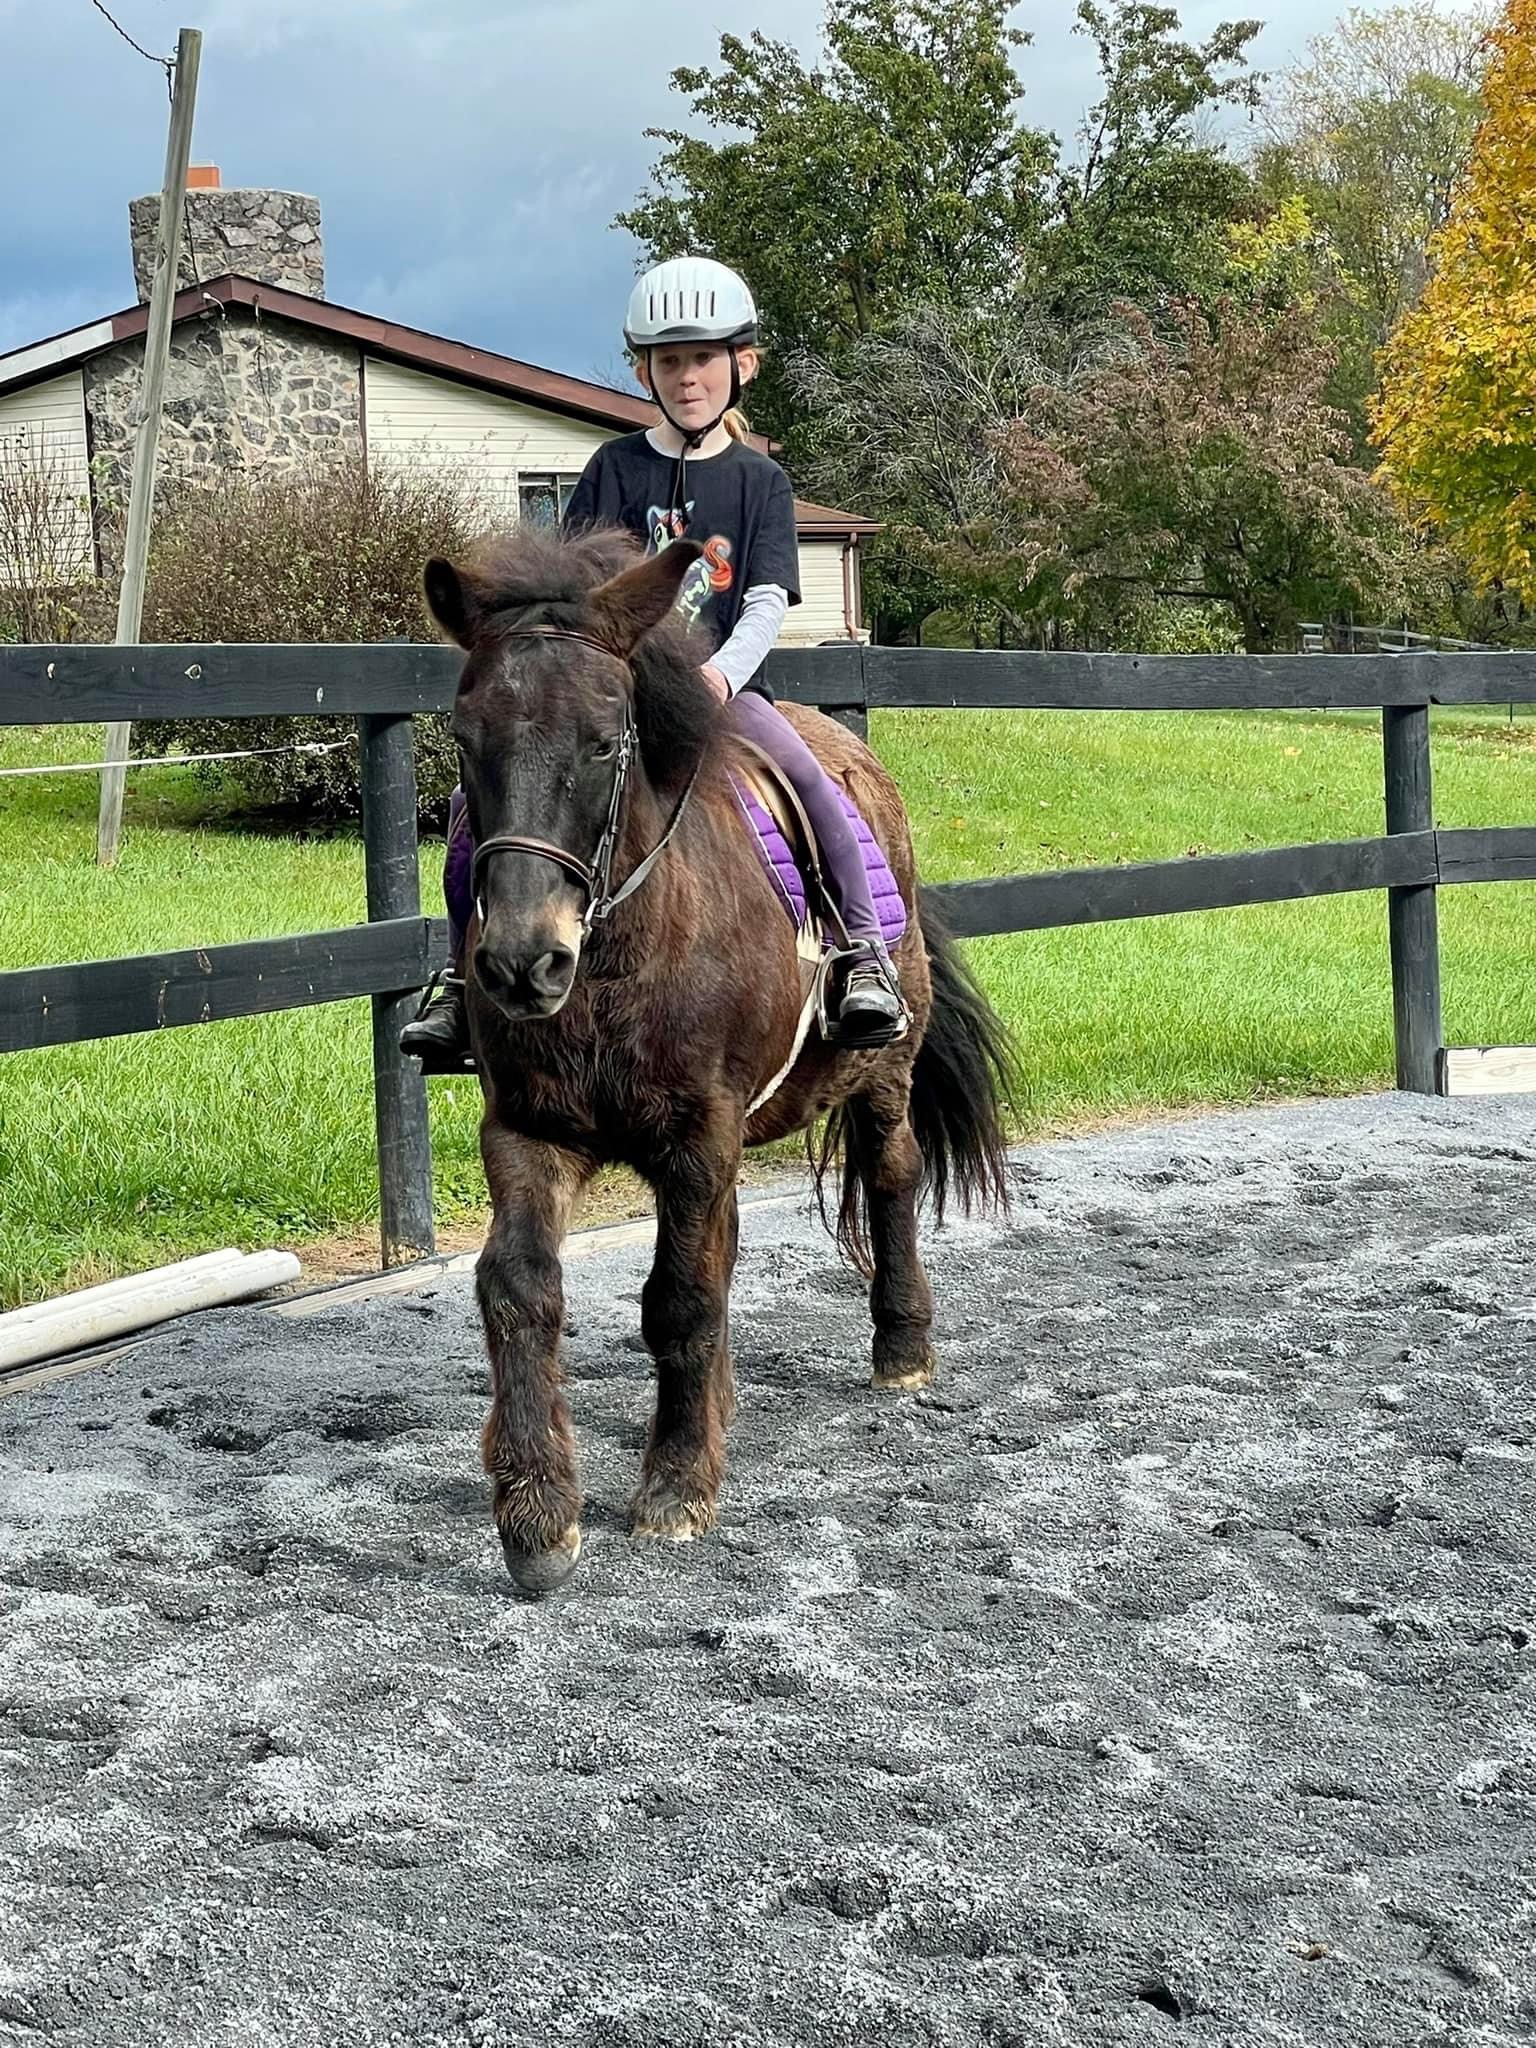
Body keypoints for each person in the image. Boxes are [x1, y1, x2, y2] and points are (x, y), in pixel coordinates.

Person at [402, 255, 908, 1069]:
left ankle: (859, 954)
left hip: (722, 691)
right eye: (669, 361)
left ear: (740, 364)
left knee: (812, 784)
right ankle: (460, 986)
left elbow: (770, 599)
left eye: (702, 358)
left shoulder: (759, 480)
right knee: (476, 806)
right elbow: (563, 594)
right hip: (609, 699)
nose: (686, 377)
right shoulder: (612, 467)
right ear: (646, 369)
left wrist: (718, 676)